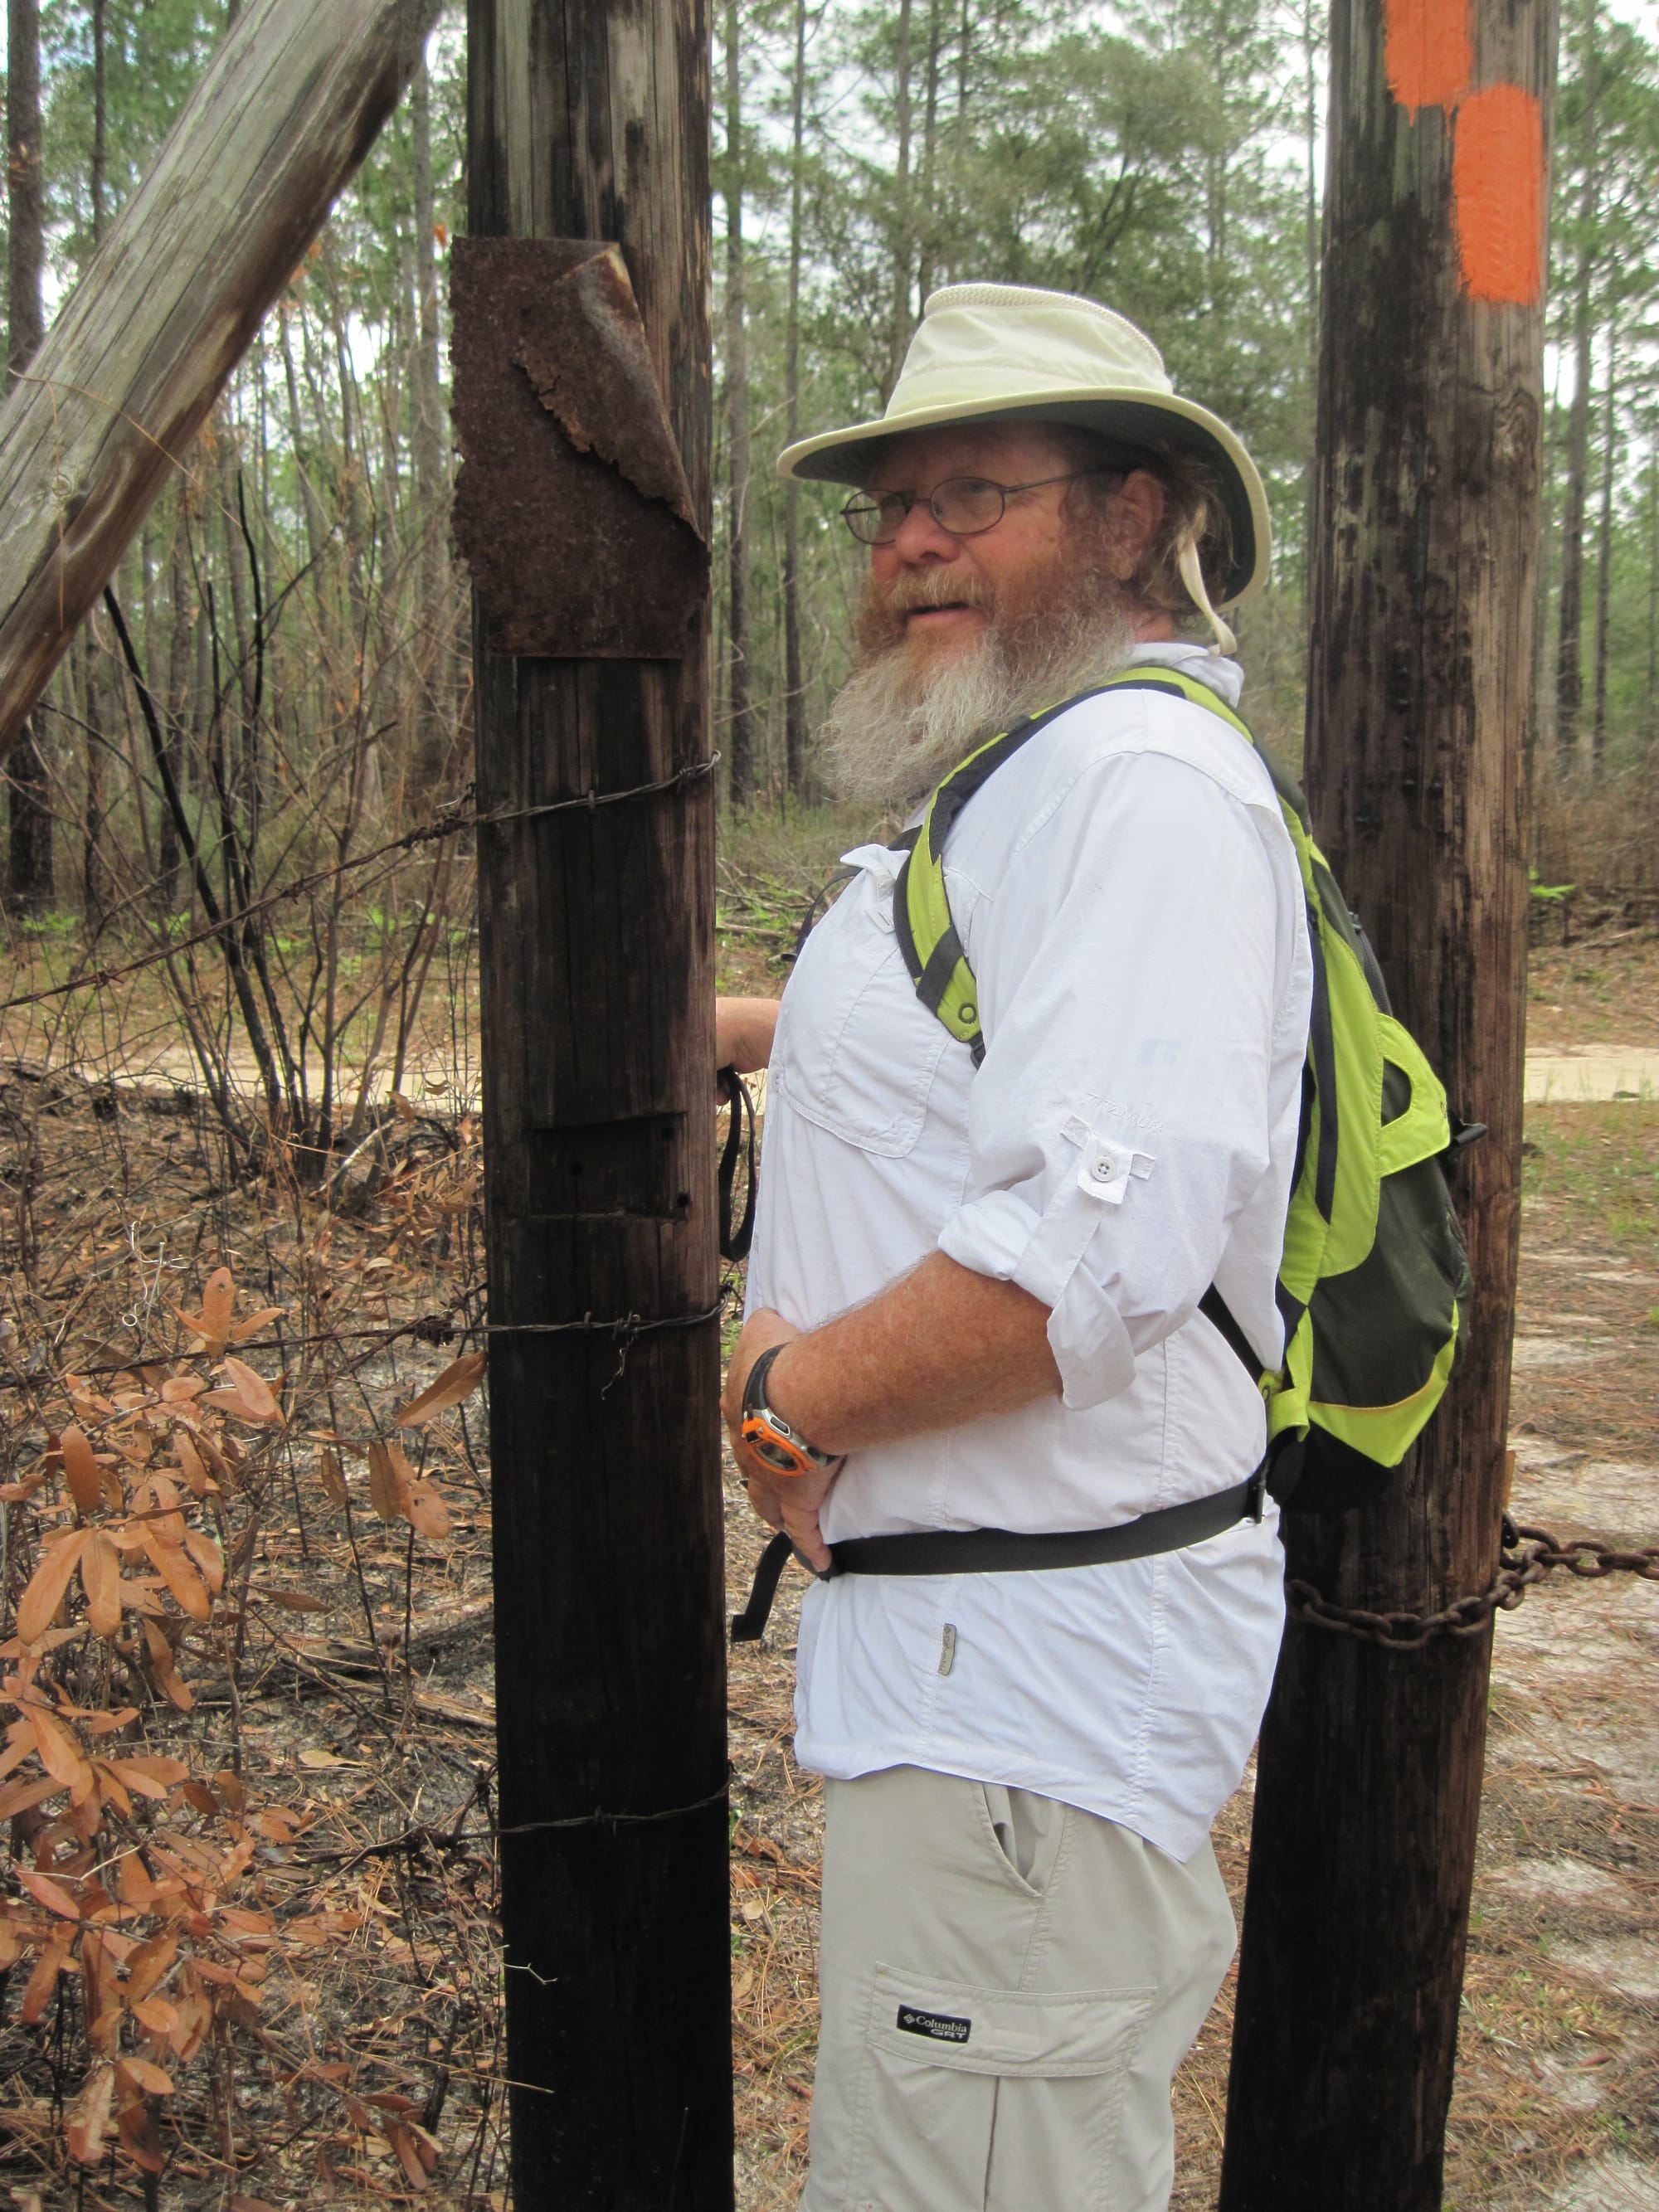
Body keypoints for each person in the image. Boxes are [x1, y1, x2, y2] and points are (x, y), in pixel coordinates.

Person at [718, 283, 1313, 2212]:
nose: (912, 542)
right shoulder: (1035, 773)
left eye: (977, 488)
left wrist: (777, 1397)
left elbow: (1087, 1253)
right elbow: (995, 1072)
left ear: (1136, 515)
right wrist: (747, 1032)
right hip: (983, 1693)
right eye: (893, 504)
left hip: (1030, 1709)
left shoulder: (1132, 786)